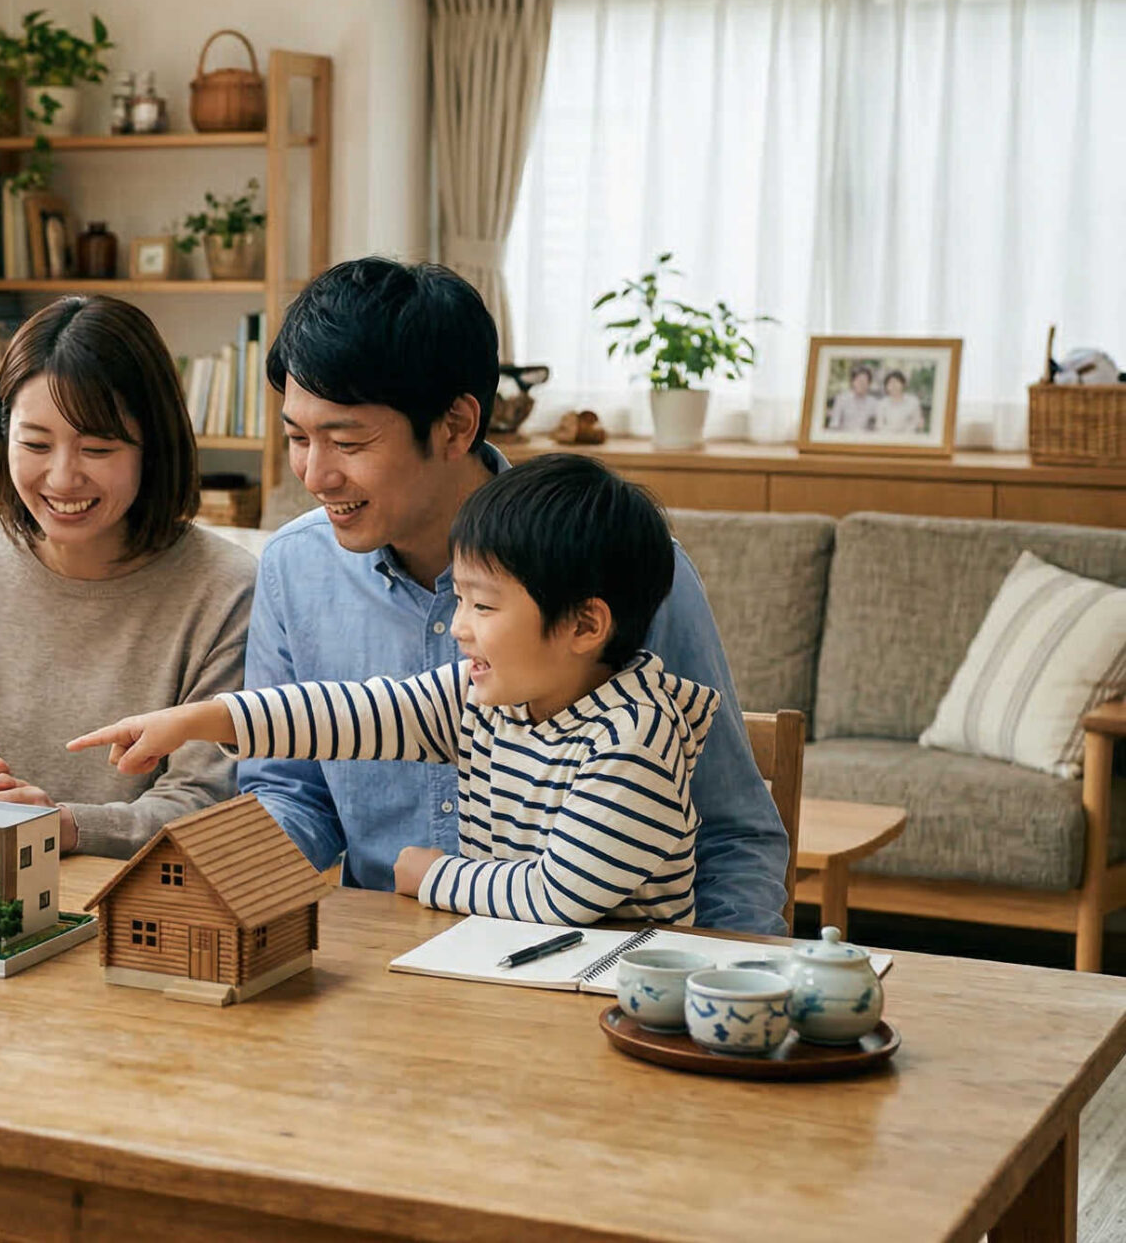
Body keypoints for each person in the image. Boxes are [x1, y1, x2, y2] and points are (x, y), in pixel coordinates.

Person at [234, 257, 790, 936]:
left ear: (456, 424)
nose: (314, 474)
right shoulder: (296, 567)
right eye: (297, 437)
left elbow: (732, 835)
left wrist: (724, 989)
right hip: (384, 971)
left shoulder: (617, 573)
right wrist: (217, 883)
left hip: (589, 971)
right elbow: (289, 793)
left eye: (347, 441)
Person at [73, 454, 717, 926]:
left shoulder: (633, 739)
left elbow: (562, 897)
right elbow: (347, 713)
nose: (459, 629)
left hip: (608, 992)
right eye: (460, 599)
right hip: (514, 969)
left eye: (484, 608)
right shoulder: (487, 696)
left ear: (583, 625)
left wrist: (428, 874)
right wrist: (197, 720)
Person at [0, 295, 253, 857]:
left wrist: (64, 826)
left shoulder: (228, 587)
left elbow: (205, 798)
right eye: (35, 444)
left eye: (97, 447)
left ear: (152, 448)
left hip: (154, 897)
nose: (62, 478)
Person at [825, 364, 881, 432]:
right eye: (858, 381)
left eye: (864, 381)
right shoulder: (841, 399)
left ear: (869, 384)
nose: (861, 384)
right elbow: (834, 425)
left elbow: (878, 427)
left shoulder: (874, 403)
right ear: (852, 382)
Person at [875, 368, 927, 434]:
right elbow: (879, 426)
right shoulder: (882, 404)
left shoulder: (913, 401)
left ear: (903, 384)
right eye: (890, 383)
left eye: (897, 381)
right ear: (886, 387)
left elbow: (918, 424)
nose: (893, 385)